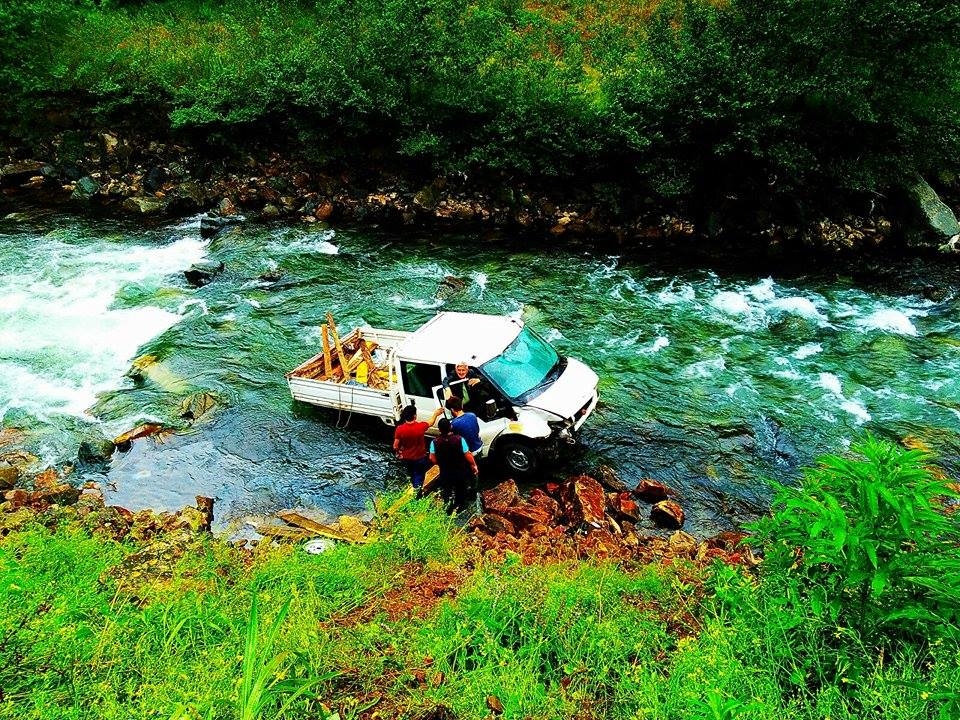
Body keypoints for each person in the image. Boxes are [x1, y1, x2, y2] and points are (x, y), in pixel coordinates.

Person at [428, 417, 478, 511]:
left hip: (445, 472)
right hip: (460, 470)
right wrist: (473, 465)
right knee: (461, 489)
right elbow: (467, 454)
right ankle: (461, 507)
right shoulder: (460, 439)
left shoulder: (434, 442)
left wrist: (440, 463)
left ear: (439, 430)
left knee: (447, 489)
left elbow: (432, 458)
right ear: (450, 427)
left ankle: (449, 508)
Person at [393, 404, 443, 491]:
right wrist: (436, 414)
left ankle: (414, 485)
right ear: (415, 416)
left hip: (407, 458)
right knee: (420, 475)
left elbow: (395, 446)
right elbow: (431, 422)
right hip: (420, 457)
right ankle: (418, 490)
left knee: (412, 474)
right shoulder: (420, 427)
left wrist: (399, 453)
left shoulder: (400, 429)